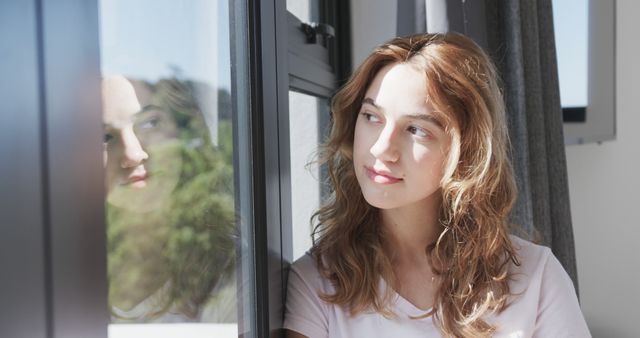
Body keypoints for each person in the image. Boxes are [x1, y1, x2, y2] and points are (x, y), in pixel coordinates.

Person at [283, 33, 590, 337]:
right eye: (371, 116)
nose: (381, 149)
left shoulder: (536, 277)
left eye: (416, 129)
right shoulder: (317, 283)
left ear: (466, 150)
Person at [102, 75, 237, 323]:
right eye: (104, 137)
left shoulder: (239, 275)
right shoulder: (51, 274)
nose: (133, 153)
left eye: (150, 122)